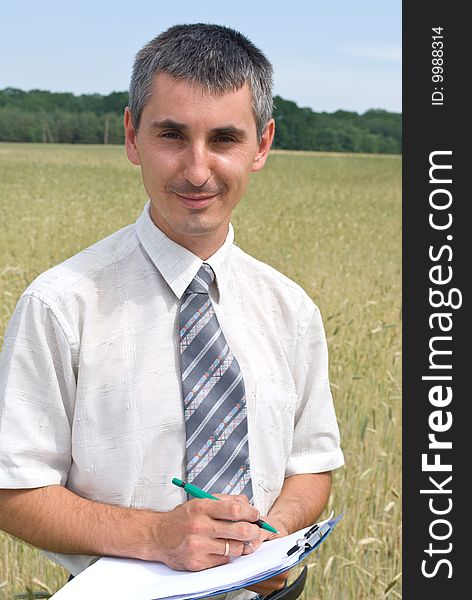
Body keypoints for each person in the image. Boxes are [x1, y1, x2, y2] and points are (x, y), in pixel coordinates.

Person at [0, 24, 344, 599]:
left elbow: (310, 465)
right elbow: (13, 491)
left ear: (262, 145)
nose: (197, 169)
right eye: (172, 135)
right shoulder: (60, 304)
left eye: (225, 139)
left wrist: (271, 537)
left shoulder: (291, 310)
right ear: (132, 136)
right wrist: (157, 536)